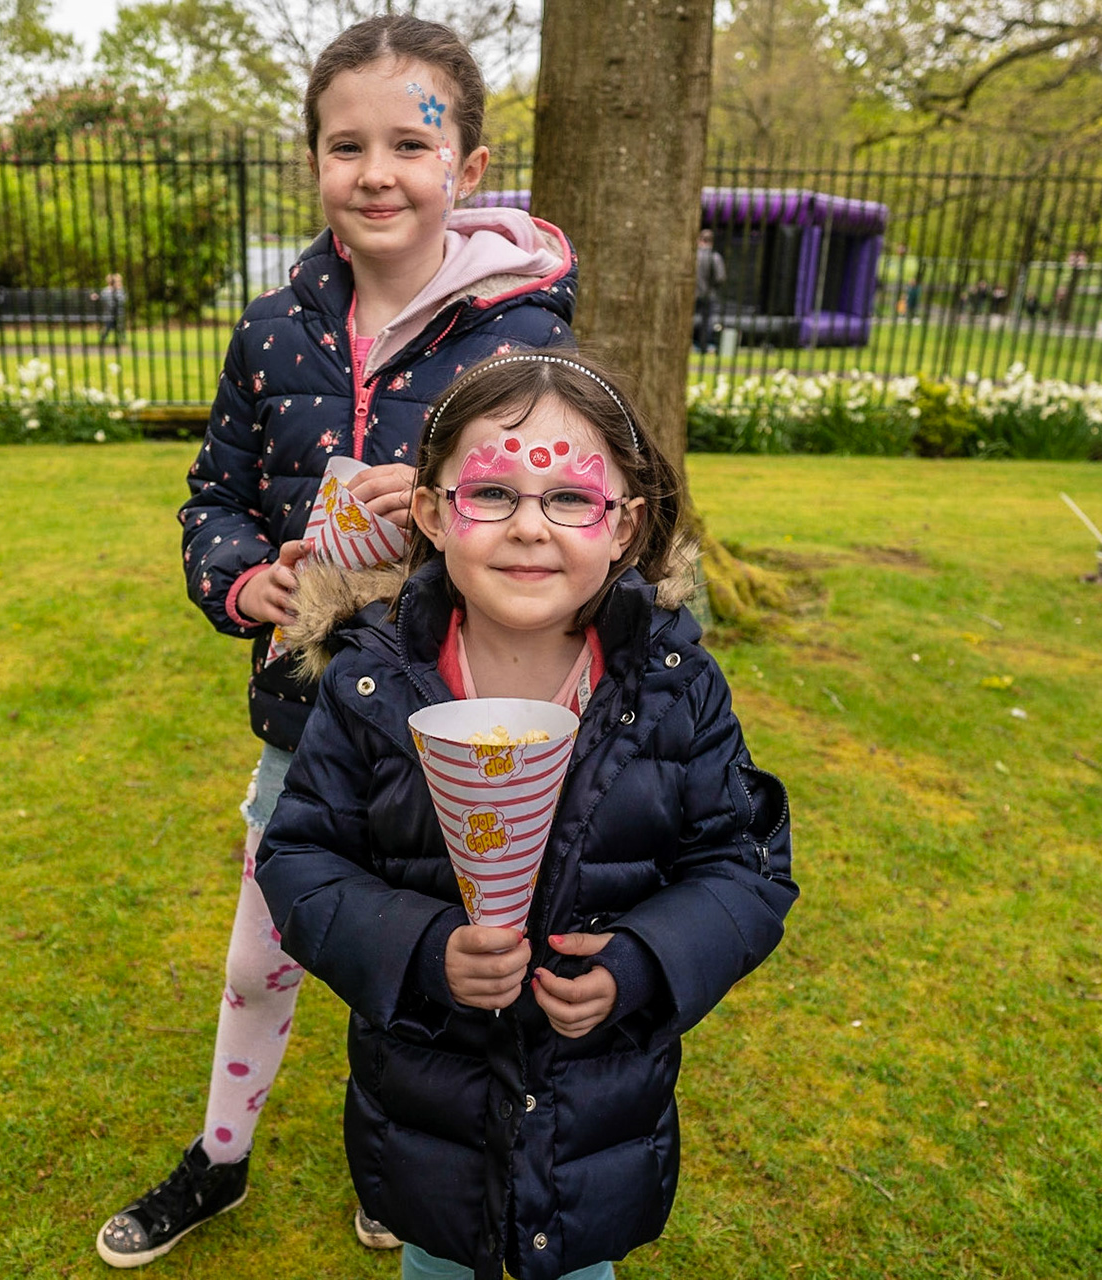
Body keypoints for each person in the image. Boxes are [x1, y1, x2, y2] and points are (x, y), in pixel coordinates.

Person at [95, 15, 578, 1269]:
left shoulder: (523, 340)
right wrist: (246, 580)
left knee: (411, 977)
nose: (377, 172)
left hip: (448, 725)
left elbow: (554, 524)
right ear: (315, 160)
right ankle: (218, 1158)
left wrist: (427, 518)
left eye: (411, 143)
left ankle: (391, 1174)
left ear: (467, 168)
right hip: (305, 719)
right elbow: (213, 491)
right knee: (266, 956)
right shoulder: (272, 330)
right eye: (344, 144)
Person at [256, 350, 799, 1280]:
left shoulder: (674, 687)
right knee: (437, 1262)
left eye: (571, 500)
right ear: (431, 512)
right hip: (430, 1098)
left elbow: (742, 868)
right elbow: (303, 858)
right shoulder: (370, 682)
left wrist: (642, 966)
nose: (529, 530)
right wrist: (423, 950)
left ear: (623, 527)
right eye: (491, 494)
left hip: (594, 1110)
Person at [692, 228, 726, 352]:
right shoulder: (715, 257)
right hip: (708, 294)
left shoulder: (693, 257)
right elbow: (720, 277)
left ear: (699, 240)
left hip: (692, 294)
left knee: (689, 319)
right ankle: (703, 346)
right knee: (706, 321)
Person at [98, 272, 126, 346]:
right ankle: (122, 338)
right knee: (115, 323)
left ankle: (103, 337)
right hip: (112, 314)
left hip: (111, 314)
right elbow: (122, 300)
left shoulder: (105, 291)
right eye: (118, 281)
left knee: (111, 324)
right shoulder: (118, 291)